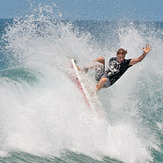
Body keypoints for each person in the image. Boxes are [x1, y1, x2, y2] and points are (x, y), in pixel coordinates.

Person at [84, 44, 152, 92]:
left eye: (123, 57)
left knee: (103, 80)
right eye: (120, 57)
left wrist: (144, 53)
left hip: (107, 82)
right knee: (101, 59)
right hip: (101, 76)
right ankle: (84, 69)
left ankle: (93, 93)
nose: (121, 59)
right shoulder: (112, 59)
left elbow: (138, 60)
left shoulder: (126, 63)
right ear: (117, 55)